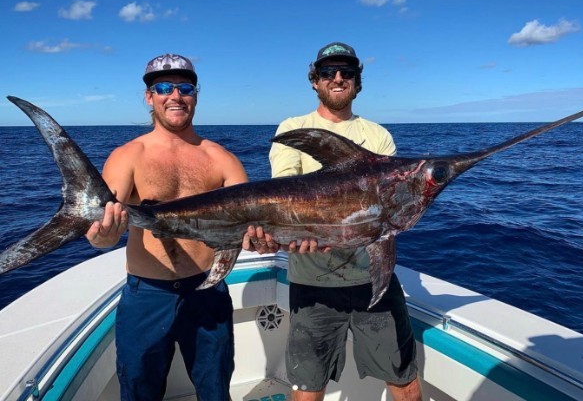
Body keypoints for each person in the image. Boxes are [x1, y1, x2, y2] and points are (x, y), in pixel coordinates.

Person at [85, 53, 248, 401]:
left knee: (216, 390)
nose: (175, 95)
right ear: (149, 97)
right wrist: (103, 235)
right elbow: (100, 228)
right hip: (147, 294)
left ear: (196, 95)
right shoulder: (128, 155)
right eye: (163, 87)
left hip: (208, 290)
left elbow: (245, 226)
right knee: (139, 392)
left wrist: (261, 238)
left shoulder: (222, 158)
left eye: (185, 87)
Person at [267, 42, 422, 400]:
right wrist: (285, 233)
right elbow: (281, 197)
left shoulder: (378, 136)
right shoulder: (294, 127)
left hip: (374, 279)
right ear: (315, 80)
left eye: (347, 72)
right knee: (308, 387)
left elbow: (387, 210)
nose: (338, 78)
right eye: (328, 72)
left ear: (357, 81)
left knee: (405, 381)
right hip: (312, 281)